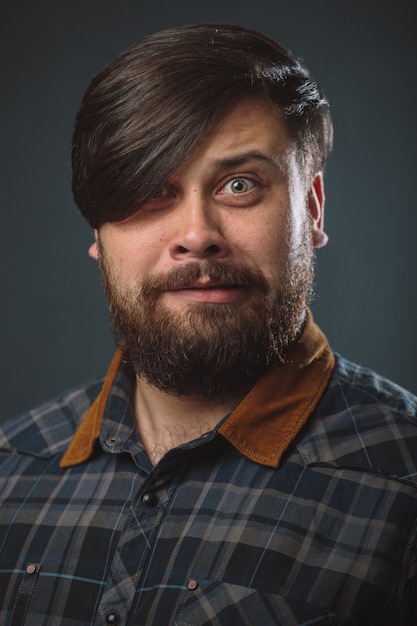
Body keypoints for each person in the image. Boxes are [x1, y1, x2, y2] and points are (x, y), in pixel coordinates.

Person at [0, 23, 416, 626]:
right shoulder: (10, 469)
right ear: (98, 233)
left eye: (240, 185)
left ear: (313, 209)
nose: (196, 235)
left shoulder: (403, 483)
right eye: (149, 190)